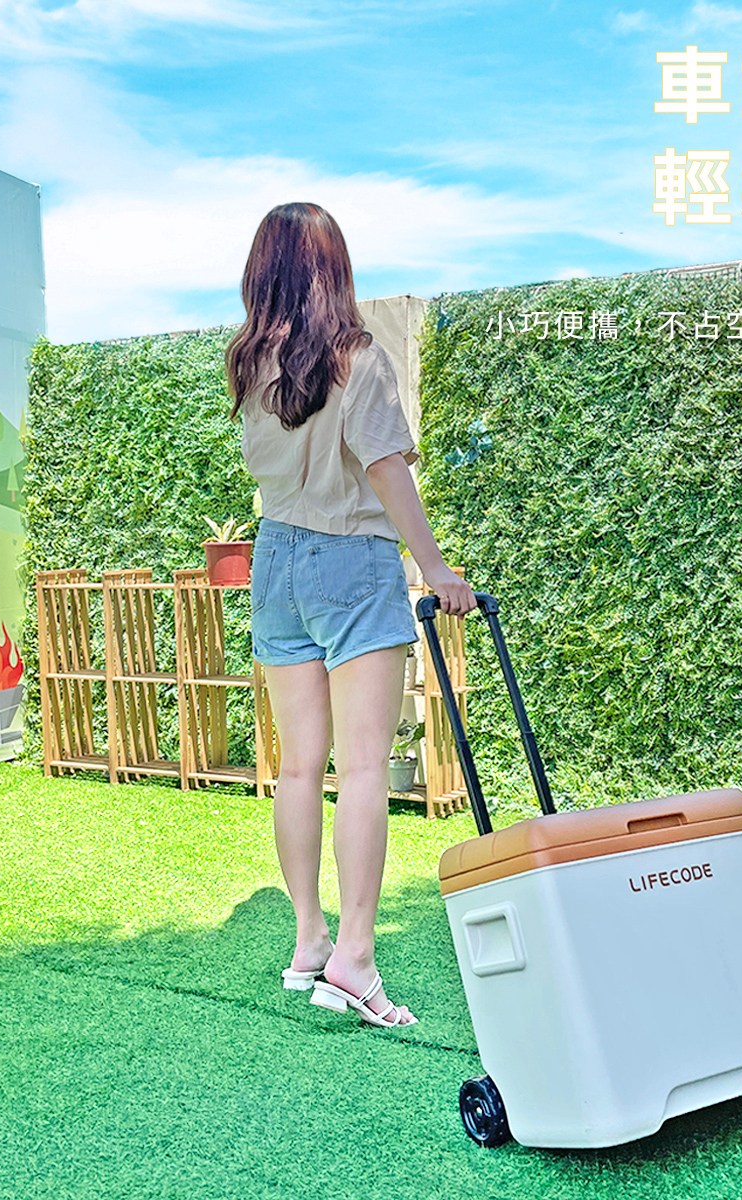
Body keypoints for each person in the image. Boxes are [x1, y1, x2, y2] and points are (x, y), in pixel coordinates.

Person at [226, 202, 477, 1028]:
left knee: (300, 768)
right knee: (364, 768)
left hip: (275, 562)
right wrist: (436, 569)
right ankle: (355, 960)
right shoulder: (358, 360)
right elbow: (385, 469)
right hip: (351, 562)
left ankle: (309, 940)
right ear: (333, 269)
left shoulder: (250, 363)